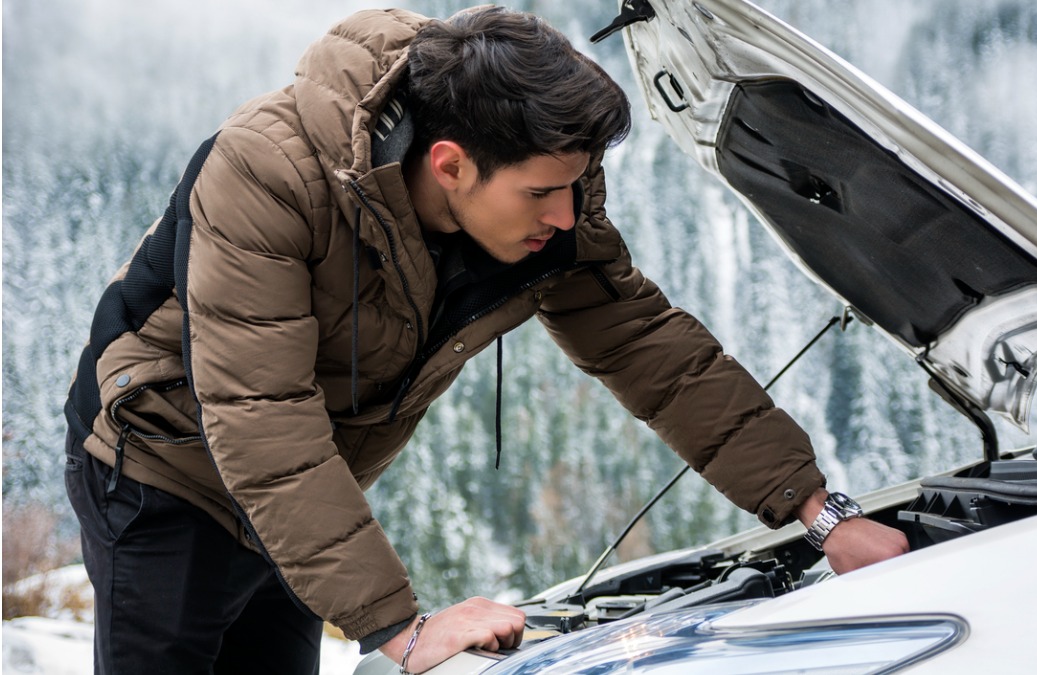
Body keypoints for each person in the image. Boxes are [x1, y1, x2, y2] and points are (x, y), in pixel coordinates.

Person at [63, 6, 909, 673]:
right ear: (450, 166)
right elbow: (261, 415)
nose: (566, 216)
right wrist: (402, 628)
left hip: (307, 483)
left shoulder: (544, 182)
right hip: (160, 467)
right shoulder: (269, 171)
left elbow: (651, 348)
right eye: (544, 192)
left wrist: (818, 511)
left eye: (576, 189)